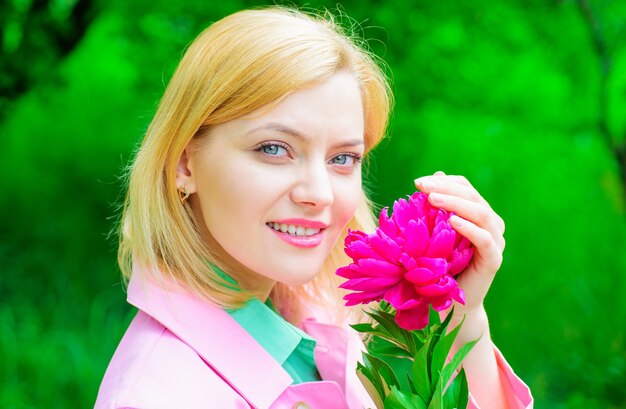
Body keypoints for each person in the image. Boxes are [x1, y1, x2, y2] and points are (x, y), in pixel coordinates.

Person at [95, 6, 533, 409]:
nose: (319, 193)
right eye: (274, 148)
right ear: (184, 164)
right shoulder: (159, 395)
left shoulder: (316, 315)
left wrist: (462, 319)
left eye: (343, 158)